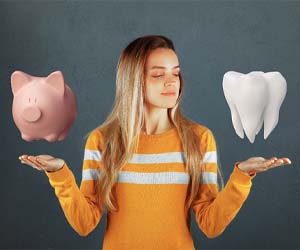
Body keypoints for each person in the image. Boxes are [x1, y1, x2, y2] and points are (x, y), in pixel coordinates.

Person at [19, 35, 291, 250]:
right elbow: (84, 222)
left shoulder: (199, 139)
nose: (172, 82)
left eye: (176, 73)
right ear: (133, 80)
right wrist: (59, 175)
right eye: (159, 74)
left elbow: (211, 224)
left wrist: (242, 177)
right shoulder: (103, 141)